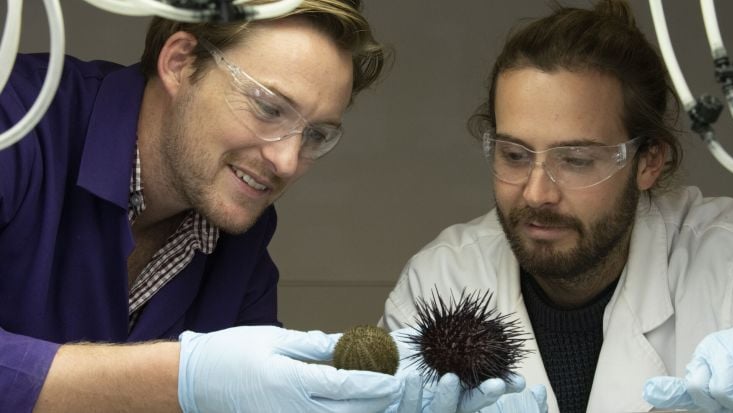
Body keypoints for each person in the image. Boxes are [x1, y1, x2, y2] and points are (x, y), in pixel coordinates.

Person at [1, 1, 530, 412]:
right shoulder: (16, 124)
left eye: (317, 134)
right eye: (268, 107)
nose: (286, 160)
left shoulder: (240, 243)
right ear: (180, 63)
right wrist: (183, 378)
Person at [379, 1, 733, 413]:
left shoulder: (724, 266)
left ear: (648, 161)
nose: (536, 193)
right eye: (514, 155)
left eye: (576, 160)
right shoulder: (441, 281)